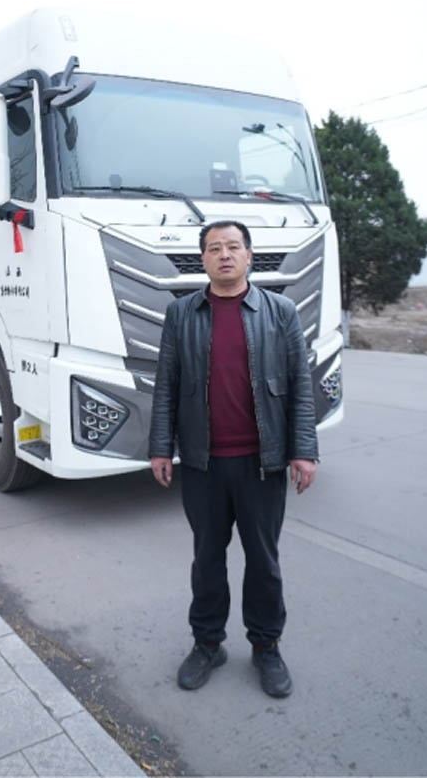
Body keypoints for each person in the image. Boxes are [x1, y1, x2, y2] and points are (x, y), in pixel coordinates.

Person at [148, 220, 318, 697]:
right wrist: (161, 447)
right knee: (207, 559)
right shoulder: (181, 314)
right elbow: (167, 385)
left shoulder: (280, 311)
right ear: (202, 259)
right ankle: (208, 643)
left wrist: (303, 451)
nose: (224, 254)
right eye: (214, 248)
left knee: (263, 561)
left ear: (248, 255)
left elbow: (300, 386)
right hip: (202, 463)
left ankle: (266, 646)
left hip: (262, 462)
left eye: (233, 246)